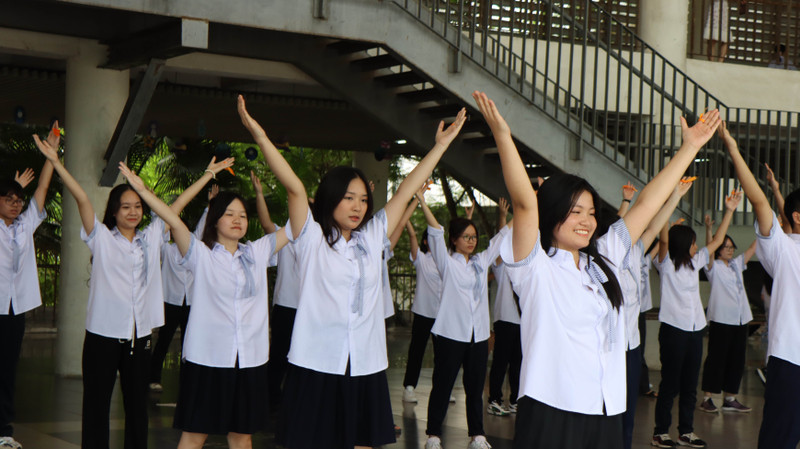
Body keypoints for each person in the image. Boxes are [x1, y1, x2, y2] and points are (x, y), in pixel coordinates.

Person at [471, 90, 721, 449]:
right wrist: (503, 137)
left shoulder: (602, 258)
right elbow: (526, 204)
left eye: (590, 212)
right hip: (552, 406)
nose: (587, 221)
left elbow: (649, 201)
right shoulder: (534, 265)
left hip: (605, 406)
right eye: (575, 212)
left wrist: (690, 148)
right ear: (553, 213)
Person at [274, 100, 466, 449]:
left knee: (363, 443)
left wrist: (439, 146)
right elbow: (294, 189)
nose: (358, 206)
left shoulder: (371, 236)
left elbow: (408, 186)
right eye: (349, 198)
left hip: (364, 362)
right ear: (331, 199)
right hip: (318, 361)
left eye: (363, 200)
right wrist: (258, 134)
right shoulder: (312, 239)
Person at [33, 131, 232, 449]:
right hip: (102, 336)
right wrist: (55, 162)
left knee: (138, 408)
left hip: (138, 337)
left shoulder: (152, 236)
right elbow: (83, 198)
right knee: (95, 407)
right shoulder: (100, 238)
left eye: (138, 206)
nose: (133, 211)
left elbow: (176, 205)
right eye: (125, 207)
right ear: (113, 211)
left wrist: (208, 174)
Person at [720, 120, 800, 449]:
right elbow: (761, 203)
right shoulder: (784, 250)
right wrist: (734, 150)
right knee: (779, 439)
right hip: (791, 359)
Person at [418, 187, 511, 449]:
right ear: (455, 240)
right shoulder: (447, 262)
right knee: (443, 385)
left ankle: (477, 435)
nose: (472, 241)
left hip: (478, 335)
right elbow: (435, 232)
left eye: (474, 237)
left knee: (474, 387)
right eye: (466, 237)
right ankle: (433, 435)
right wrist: (423, 202)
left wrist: (528, 203)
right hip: (450, 334)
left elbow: (502, 237)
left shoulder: (481, 262)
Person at [652, 189, 739, 448]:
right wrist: (674, 199)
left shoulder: (696, 261)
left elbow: (718, 239)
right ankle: (660, 432)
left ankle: (686, 431)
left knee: (690, 383)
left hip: (695, 330)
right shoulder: (665, 263)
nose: (696, 245)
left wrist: (730, 211)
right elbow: (664, 238)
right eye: (692, 242)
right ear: (681, 245)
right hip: (673, 330)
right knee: (670, 383)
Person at [613, 179, 695, 449]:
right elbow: (630, 223)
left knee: (627, 411)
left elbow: (652, 226)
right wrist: (627, 202)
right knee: (609, 407)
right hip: (610, 343)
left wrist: (674, 196)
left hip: (631, 342)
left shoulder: (637, 252)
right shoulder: (607, 251)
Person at [0, 127, 58, 449]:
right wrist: (14, 184)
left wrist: (50, 155)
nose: (16, 204)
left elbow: (44, 187)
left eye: (18, 200)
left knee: (8, 370)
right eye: (8, 199)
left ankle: (3, 430)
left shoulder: (25, 225)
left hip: (14, 307)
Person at [148, 185, 217, 392]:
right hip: (171, 301)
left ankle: (189, 380)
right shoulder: (166, 250)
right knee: (163, 341)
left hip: (192, 303)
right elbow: (158, 225)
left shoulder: (195, 246)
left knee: (191, 343)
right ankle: (153, 378)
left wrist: (210, 204)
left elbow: (203, 226)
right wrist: (152, 200)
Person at [698, 214, 756, 413]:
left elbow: (751, 249)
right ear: (719, 249)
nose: (730, 250)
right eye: (726, 247)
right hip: (722, 319)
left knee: (737, 359)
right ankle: (707, 398)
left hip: (740, 319)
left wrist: (767, 231)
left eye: (731, 247)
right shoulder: (712, 268)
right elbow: (709, 249)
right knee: (716, 358)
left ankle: (730, 397)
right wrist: (708, 230)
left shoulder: (736, 265)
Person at [401, 218, 443, 404]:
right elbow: (412, 236)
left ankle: (443, 388)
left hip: (442, 315)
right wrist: (407, 219)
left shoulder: (447, 259)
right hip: (423, 313)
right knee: (417, 351)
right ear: (426, 241)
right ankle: (409, 387)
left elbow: (457, 241)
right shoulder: (421, 259)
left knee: (442, 354)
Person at [487, 198, 519, 416]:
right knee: (501, 360)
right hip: (505, 318)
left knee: (518, 362)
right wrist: (507, 217)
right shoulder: (501, 263)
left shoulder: (524, 261)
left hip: (522, 319)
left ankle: (516, 399)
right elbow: (499, 241)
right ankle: (494, 399)